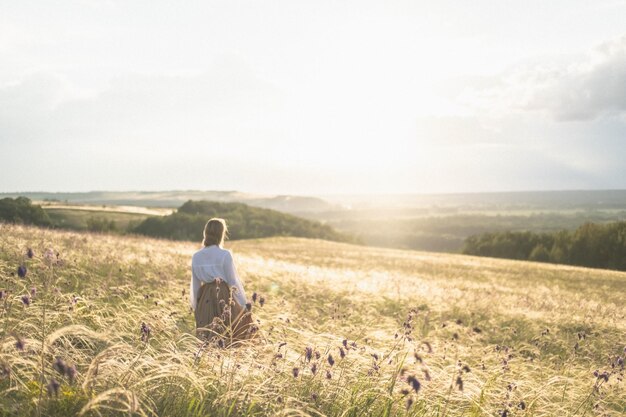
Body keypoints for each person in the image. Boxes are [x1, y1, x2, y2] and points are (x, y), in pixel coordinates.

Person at [190, 218, 254, 344]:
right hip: (223, 297)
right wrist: (243, 304)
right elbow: (233, 281)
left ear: (205, 233)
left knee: (206, 339)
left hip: (204, 299)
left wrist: (196, 307)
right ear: (221, 234)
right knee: (227, 336)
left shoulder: (196, 256)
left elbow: (195, 285)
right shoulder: (225, 255)